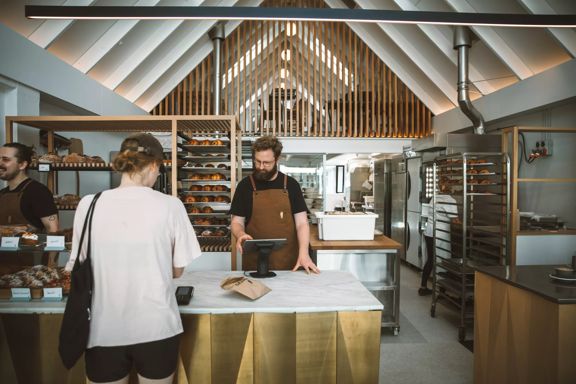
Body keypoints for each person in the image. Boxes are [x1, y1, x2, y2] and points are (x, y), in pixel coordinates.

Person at [65, 133, 201, 384]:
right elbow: (177, 271)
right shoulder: (171, 205)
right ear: (152, 165)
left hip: (103, 330)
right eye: (159, 169)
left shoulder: (89, 204)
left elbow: (79, 265)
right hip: (156, 327)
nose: (158, 175)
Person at [230, 135, 319, 274]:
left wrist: (304, 253)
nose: (261, 167)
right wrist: (240, 233)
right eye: (257, 161)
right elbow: (236, 221)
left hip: (288, 260)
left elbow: (302, 223)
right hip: (255, 263)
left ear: (277, 159)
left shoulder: (291, 185)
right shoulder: (244, 186)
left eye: (267, 163)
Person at [0, 143, 59, 233]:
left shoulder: (38, 192)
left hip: (31, 247)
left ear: (22, 165)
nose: (0, 163)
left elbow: (53, 229)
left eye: (5, 159)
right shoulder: (2, 194)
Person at [419, 178, 458, 296]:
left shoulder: (434, 198)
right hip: (441, 234)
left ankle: (423, 286)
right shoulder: (450, 200)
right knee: (442, 260)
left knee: (430, 259)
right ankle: (442, 290)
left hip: (429, 232)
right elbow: (455, 220)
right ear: (451, 188)